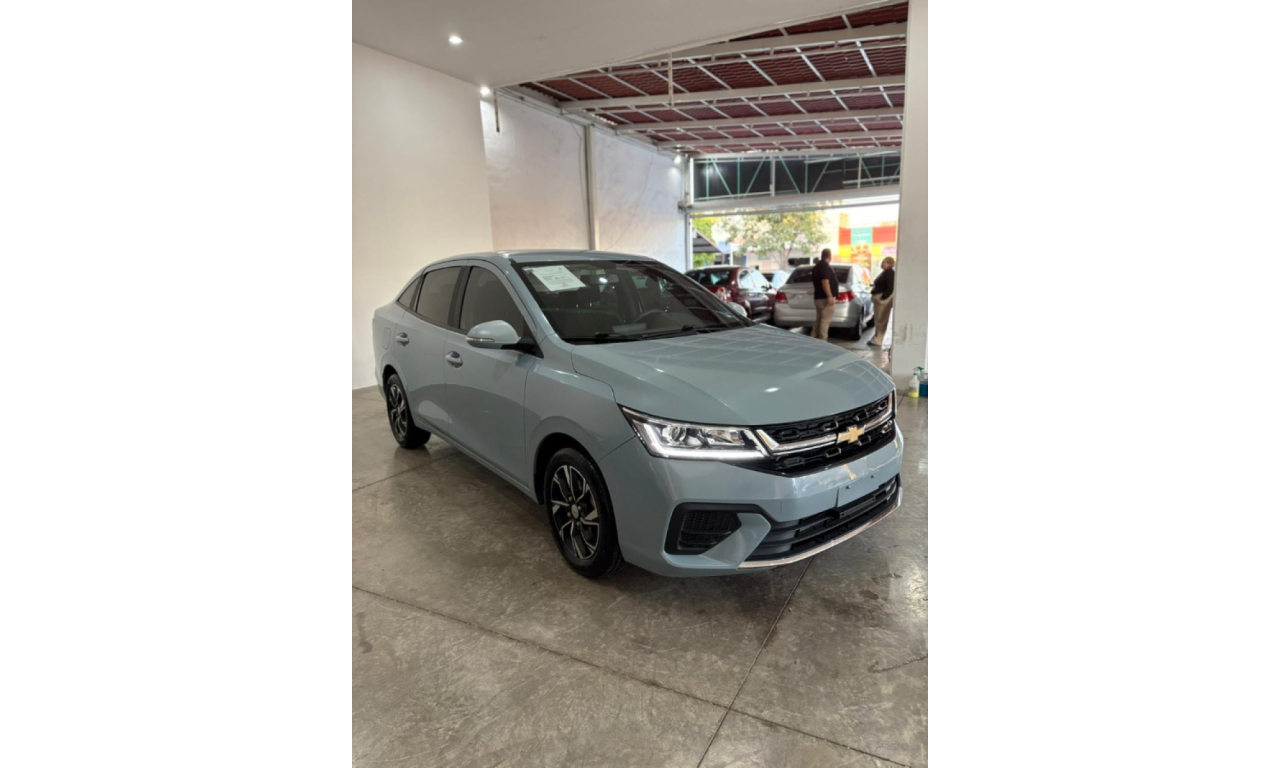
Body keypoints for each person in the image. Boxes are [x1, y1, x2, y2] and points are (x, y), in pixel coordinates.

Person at [810, 248, 837, 341]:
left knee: (819, 319)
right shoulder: (825, 266)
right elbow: (825, 281)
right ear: (830, 256)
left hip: (818, 297)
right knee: (825, 320)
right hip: (824, 298)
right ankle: (823, 340)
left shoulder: (816, 267)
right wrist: (830, 296)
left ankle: (813, 338)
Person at [869, 257, 895, 346]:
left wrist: (883, 298)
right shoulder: (884, 273)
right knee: (878, 319)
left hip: (882, 300)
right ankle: (876, 338)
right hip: (878, 298)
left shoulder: (890, 273)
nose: (883, 263)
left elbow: (890, 287)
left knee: (881, 319)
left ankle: (878, 339)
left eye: (886, 262)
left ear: (890, 264)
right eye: (883, 261)